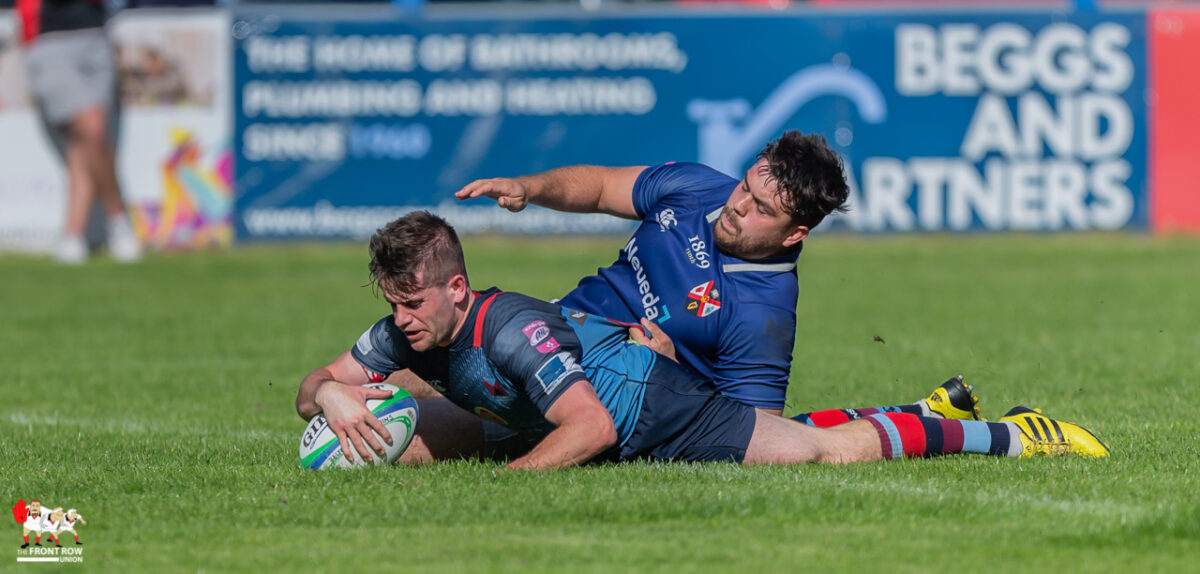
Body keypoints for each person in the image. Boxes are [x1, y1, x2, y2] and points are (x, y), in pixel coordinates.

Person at [294, 211, 1109, 470]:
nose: (400, 320)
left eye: (412, 302)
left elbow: (594, 429)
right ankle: (920, 405)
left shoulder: (512, 328)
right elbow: (313, 385)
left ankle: (1005, 434)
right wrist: (333, 393)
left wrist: (511, 480)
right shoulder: (404, 332)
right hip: (544, 408)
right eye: (392, 305)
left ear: (456, 288)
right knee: (389, 432)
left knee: (819, 456)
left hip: (653, 405)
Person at [454, 130, 978, 424]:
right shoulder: (699, 187)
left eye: (761, 208)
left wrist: (672, 371)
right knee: (437, 355)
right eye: (746, 185)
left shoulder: (762, 312)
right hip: (554, 326)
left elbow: (752, 434)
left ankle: (918, 420)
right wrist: (529, 186)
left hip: (605, 388)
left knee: (442, 392)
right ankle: (916, 413)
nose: (737, 206)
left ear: (794, 234)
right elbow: (600, 187)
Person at [17, 0, 141, 264]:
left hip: (96, 36)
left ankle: (72, 237)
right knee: (92, 129)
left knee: (81, 145)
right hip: (50, 41)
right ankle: (118, 220)